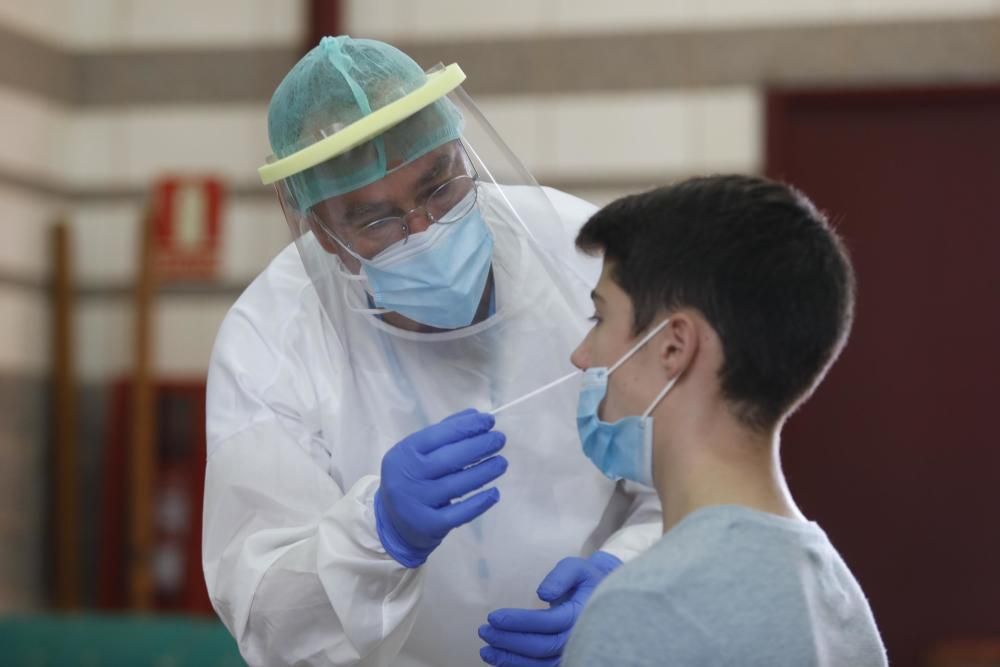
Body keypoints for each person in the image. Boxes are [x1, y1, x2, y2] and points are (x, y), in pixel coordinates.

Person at [201, 36, 662, 667]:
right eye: (375, 220)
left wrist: (625, 579)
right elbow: (267, 611)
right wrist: (378, 533)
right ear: (325, 236)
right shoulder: (272, 337)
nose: (424, 230)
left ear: (461, 151)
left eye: (439, 186)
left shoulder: (579, 259)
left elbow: (691, 468)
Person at [487, 175, 887, 665]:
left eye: (599, 319)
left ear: (674, 345)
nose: (580, 355)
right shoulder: (836, 592)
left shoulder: (646, 608)